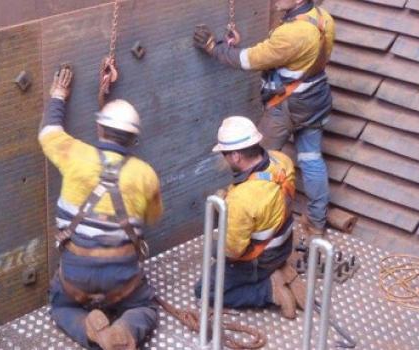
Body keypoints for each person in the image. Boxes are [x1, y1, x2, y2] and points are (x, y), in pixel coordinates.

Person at [40, 65, 163, 350]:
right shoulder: (146, 174)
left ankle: (91, 330)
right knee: (145, 308)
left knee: (61, 307)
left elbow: (48, 133)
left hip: (76, 273)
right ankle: (125, 329)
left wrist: (58, 96)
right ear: (134, 139)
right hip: (123, 277)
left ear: (98, 128)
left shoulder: (75, 156)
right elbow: (152, 218)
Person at [193, 0, 336, 235]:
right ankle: (317, 223)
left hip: (288, 107)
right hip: (317, 98)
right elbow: (289, 57)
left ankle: (246, 218)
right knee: (311, 158)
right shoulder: (323, 19)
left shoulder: (293, 33)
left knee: (254, 160)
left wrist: (214, 47)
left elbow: (249, 60)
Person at [193, 116, 306, 318]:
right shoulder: (281, 161)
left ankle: (269, 291)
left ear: (236, 156)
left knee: (204, 291)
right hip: (283, 247)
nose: (224, 159)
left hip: (260, 260)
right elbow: (265, 197)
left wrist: (216, 249)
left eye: (225, 154)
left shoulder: (242, 200)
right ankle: (279, 271)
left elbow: (234, 251)